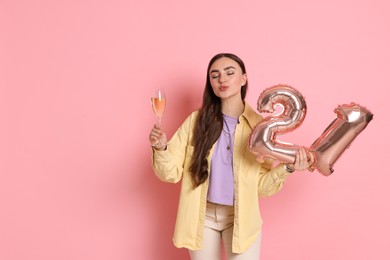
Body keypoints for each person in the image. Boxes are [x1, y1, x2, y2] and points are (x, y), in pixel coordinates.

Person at [149, 53, 314, 260]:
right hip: (202, 217)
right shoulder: (196, 122)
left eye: (229, 73)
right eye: (215, 75)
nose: (222, 80)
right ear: (210, 83)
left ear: (243, 78)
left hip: (242, 218)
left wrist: (287, 168)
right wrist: (161, 148)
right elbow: (169, 174)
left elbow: (261, 187)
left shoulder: (260, 128)